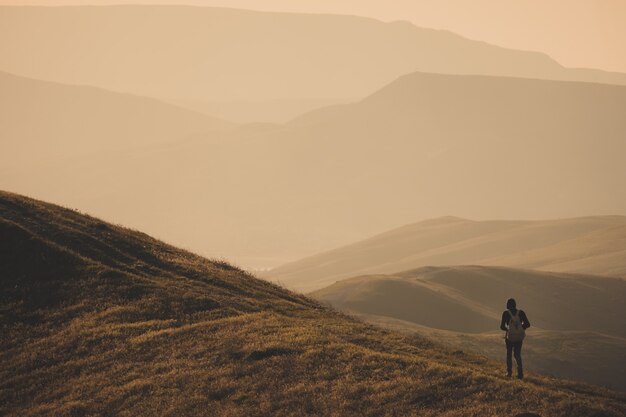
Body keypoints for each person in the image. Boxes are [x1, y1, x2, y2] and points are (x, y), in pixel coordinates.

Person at [500, 298, 530, 379]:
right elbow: (527, 324)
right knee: (517, 354)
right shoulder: (521, 312)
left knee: (509, 354)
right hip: (519, 337)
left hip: (509, 337)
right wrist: (520, 329)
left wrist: (509, 329)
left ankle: (509, 373)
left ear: (507, 305)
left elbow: (502, 326)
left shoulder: (506, 313)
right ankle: (520, 374)